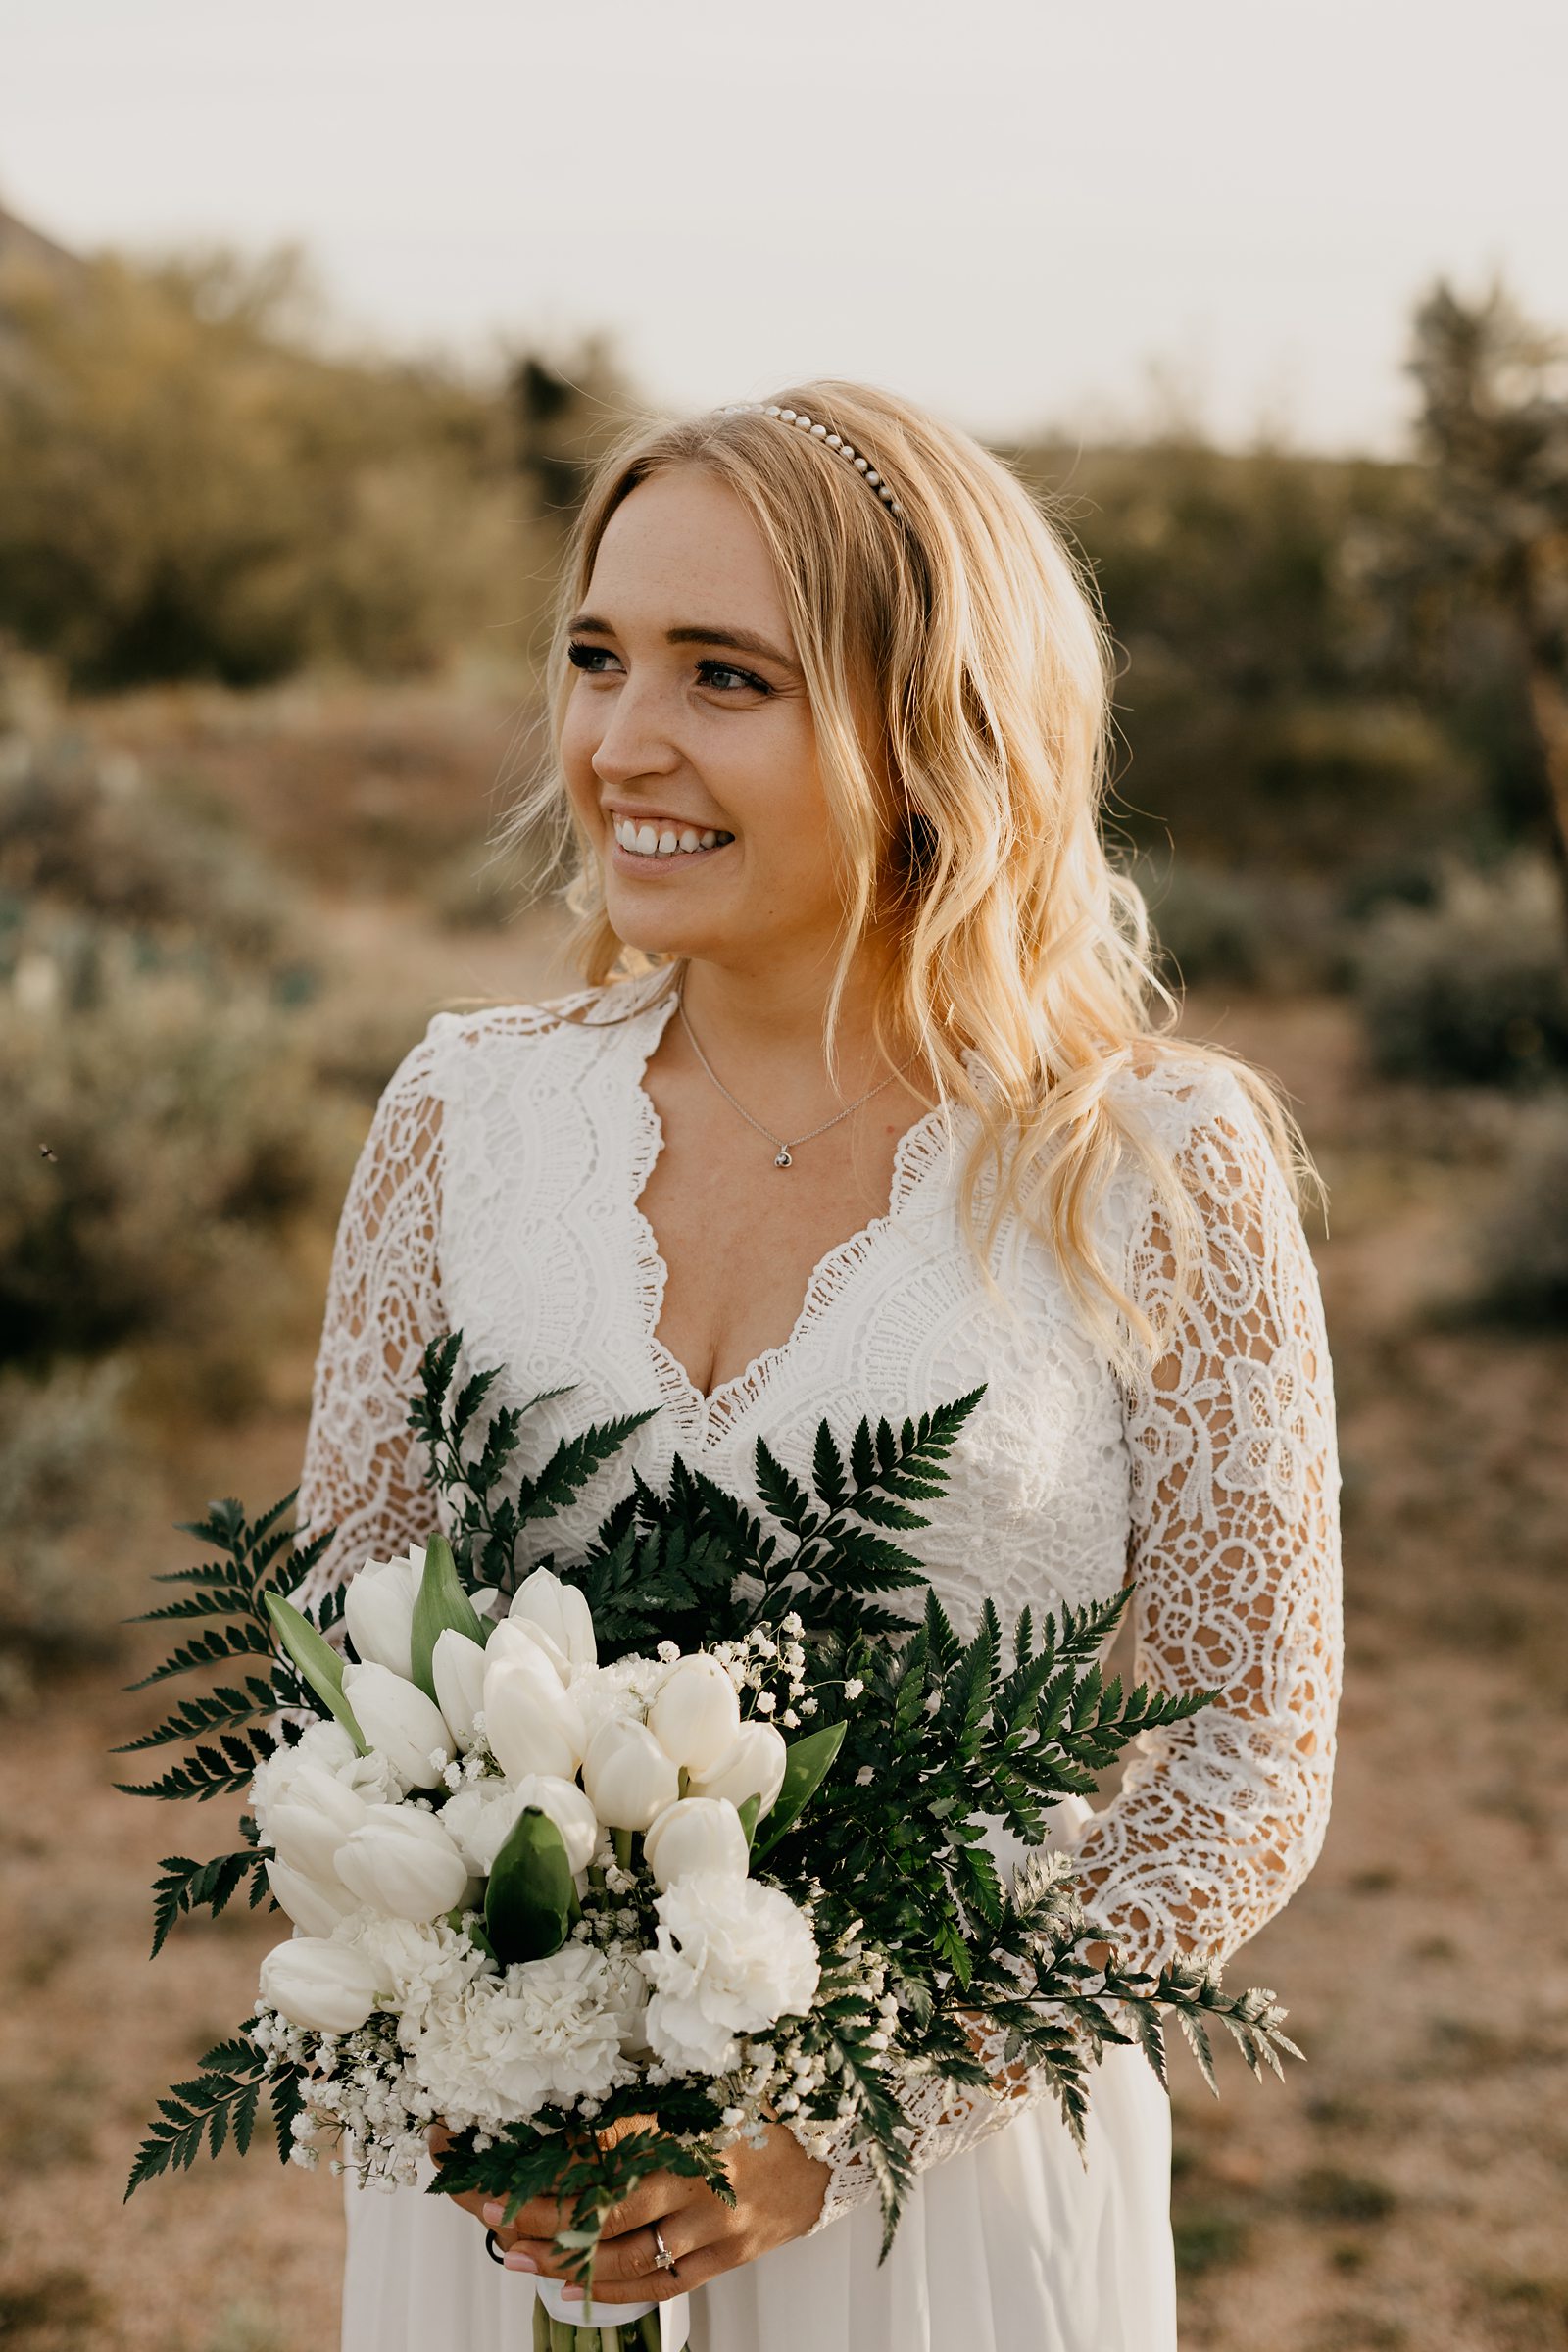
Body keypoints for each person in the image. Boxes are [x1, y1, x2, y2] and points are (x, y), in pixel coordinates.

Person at [293, 381, 1343, 2352]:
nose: (621, 742)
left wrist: (863, 2107)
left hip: (934, 2203)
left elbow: (1244, 1757)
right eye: (597, 656)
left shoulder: (1155, 1169)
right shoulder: (465, 1114)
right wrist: (456, 1999)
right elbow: (347, 1623)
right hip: (512, 2183)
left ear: (930, 727)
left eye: (725, 677)